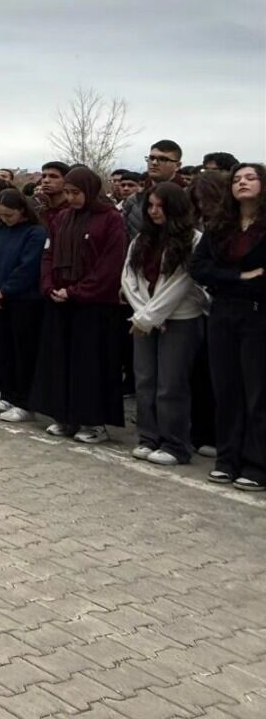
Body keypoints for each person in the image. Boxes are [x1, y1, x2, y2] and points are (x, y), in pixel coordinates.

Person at [29, 166, 128, 444]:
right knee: (61, 361)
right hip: (61, 301)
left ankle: (93, 421)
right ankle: (65, 416)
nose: (71, 198)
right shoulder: (62, 218)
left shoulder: (110, 219)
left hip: (94, 305)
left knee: (90, 365)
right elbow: (49, 254)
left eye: (76, 193)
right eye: (68, 192)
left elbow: (110, 264)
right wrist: (49, 285)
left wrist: (77, 291)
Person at [189, 163, 266, 490]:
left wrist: (235, 280)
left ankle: (257, 464)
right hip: (222, 314)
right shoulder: (220, 226)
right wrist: (239, 276)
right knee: (226, 389)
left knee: (257, 392)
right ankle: (227, 459)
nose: (242, 183)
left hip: (258, 314)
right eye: (236, 179)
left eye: (250, 178)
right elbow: (198, 267)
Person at [122, 182, 207, 466]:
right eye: (150, 206)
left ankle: (175, 444)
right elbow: (129, 278)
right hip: (143, 321)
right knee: (145, 380)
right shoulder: (142, 239)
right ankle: (148, 437)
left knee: (171, 384)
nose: (154, 211)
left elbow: (181, 283)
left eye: (161, 206)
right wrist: (143, 314)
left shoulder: (193, 240)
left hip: (179, 319)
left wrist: (150, 317)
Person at [0, 188, 47, 423]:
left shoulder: (35, 233)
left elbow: (28, 268)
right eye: (1, 215)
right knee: (2, 351)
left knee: (23, 353)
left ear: (22, 211)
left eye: (9, 215)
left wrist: (3, 292)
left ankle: (24, 402)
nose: (5, 219)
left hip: (23, 302)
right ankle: (7, 394)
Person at [188, 170, 229, 456]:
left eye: (206, 200)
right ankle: (202, 433)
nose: (202, 206)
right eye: (197, 201)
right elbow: (197, 267)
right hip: (205, 308)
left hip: (234, 308)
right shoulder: (203, 229)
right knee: (202, 375)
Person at [124, 139, 183, 240]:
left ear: (177, 166)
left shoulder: (188, 197)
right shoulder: (133, 200)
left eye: (163, 159)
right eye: (151, 158)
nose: (154, 163)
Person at [35, 161, 70, 228]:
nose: (46, 180)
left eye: (53, 176)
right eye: (44, 176)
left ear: (66, 180)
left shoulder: (74, 212)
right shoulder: (38, 212)